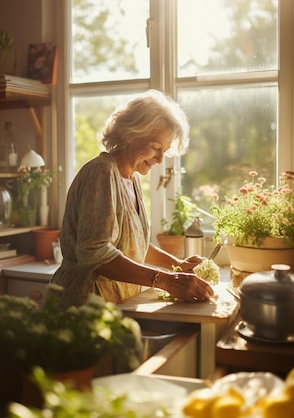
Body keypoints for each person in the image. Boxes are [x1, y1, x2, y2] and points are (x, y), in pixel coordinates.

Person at [51, 89, 215, 308]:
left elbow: (133, 246)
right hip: (85, 306)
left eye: (164, 150)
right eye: (156, 147)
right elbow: (95, 253)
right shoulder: (102, 172)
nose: (159, 158)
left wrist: (177, 265)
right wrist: (166, 280)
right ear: (130, 134)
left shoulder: (131, 178)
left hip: (118, 305)